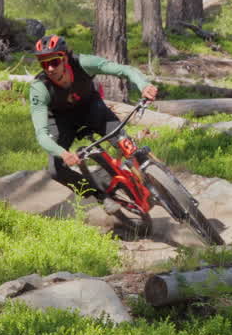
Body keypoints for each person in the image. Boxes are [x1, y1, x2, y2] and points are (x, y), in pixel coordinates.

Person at [27, 35, 159, 211]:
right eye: (44, 63)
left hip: (91, 108)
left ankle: (152, 178)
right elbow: (41, 134)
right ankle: (100, 196)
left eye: (54, 61)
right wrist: (63, 153)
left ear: (65, 57)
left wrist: (144, 85)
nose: (50, 68)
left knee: (126, 145)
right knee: (56, 170)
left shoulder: (84, 63)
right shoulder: (39, 88)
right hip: (61, 122)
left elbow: (124, 70)